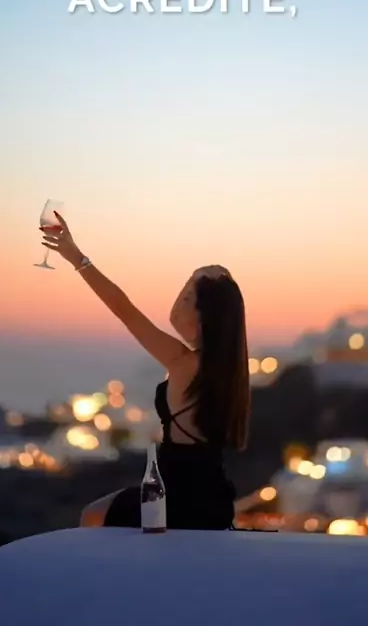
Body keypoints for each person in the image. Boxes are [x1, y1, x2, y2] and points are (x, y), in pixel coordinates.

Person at [41, 212, 250, 530]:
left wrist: (77, 258)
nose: (178, 301)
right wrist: (212, 275)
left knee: (92, 516)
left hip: (179, 495)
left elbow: (123, 309)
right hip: (212, 495)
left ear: (203, 319)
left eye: (187, 297)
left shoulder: (185, 363)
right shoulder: (227, 370)